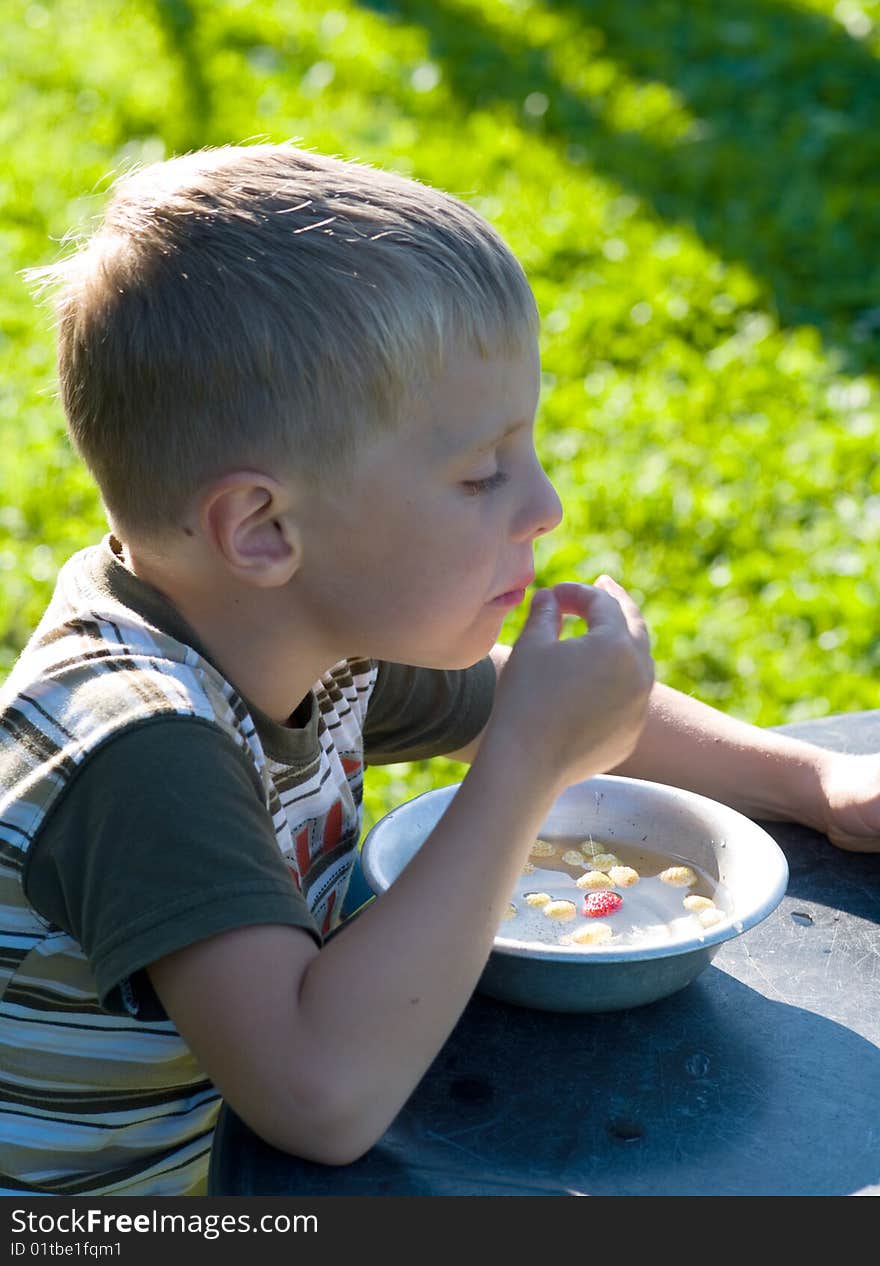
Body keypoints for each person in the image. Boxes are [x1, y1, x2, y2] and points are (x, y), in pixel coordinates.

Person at [0, 144, 876, 1198]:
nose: (543, 506)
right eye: (480, 475)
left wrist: (813, 784)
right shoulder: (144, 752)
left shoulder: (291, 641)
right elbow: (318, 1098)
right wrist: (521, 769)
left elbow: (519, 692)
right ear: (263, 531)